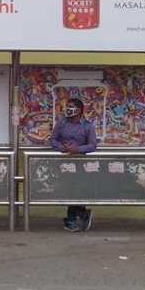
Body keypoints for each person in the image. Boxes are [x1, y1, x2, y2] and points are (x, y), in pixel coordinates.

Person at [49, 97, 97, 232]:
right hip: (64, 163)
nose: (67, 109)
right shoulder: (62, 123)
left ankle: (71, 219)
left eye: (70, 107)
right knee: (66, 189)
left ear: (79, 110)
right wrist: (60, 147)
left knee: (76, 190)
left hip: (80, 164)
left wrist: (79, 150)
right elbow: (52, 139)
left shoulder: (88, 126)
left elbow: (93, 145)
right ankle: (80, 214)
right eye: (67, 106)